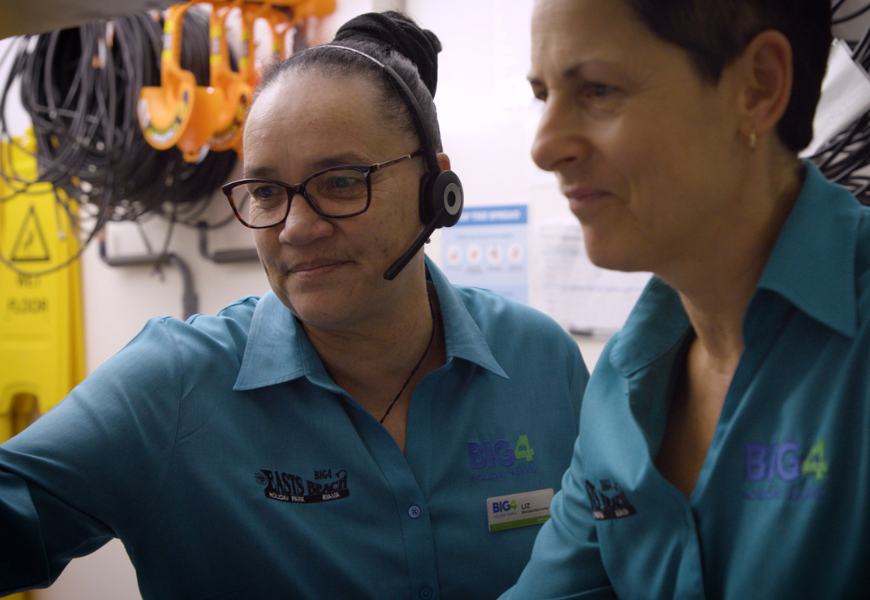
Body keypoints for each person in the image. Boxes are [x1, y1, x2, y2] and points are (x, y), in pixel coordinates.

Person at [0, 11, 589, 600]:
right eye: (265, 192)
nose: (296, 228)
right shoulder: (175, 384)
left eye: (341, 182)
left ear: (436, 188)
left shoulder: (541, 361)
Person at [501, 0, 870, 598]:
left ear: (757, 87)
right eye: (543, 95)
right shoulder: (621, 384)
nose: (544, 146)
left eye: (597, 89)